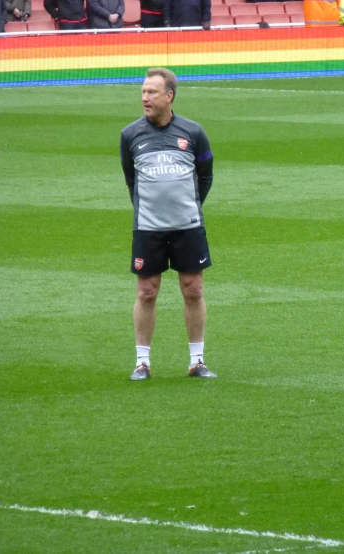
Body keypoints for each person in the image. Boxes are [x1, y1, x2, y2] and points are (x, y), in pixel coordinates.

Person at [120, 67, 217, 381]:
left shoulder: (193, 132)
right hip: (148, 227)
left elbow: (205, 175)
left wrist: (186, 205)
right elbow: (131, 179)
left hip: (187, 225)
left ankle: (197, 361)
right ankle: (142, 364)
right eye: (143, 92)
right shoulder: (130, 134)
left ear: (169, 96)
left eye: (152, 92)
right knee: (147, 292)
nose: (145, 98)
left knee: (194, 289)